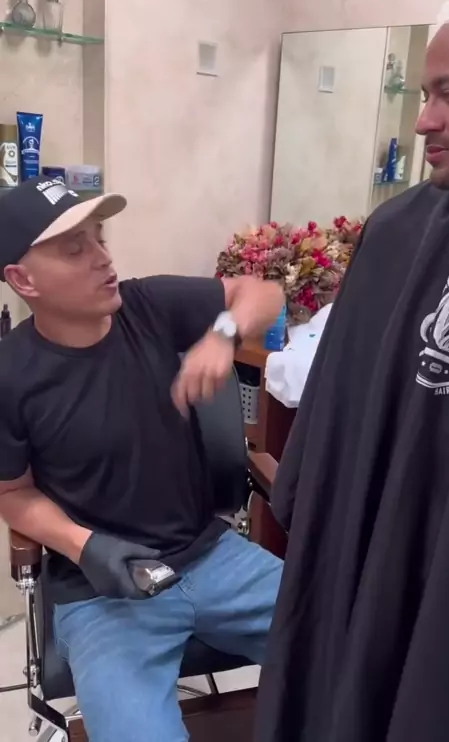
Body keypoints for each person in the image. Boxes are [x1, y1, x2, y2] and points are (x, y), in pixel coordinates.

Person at [254, 0, 449, 742]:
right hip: (365, 581)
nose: (423, 121)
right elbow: (337, 424)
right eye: (422, 95)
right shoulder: (395, 230)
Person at [0, 176, 285, 742]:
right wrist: (85, 546)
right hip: (103, 592)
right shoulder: (10, 376)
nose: (103, 258)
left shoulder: (147, 305)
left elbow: (262, 292)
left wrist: (222, 334)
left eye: (100, 238)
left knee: (359, 645)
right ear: (22, 279)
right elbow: (11, 492)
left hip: (214, 557)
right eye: (75, 249)